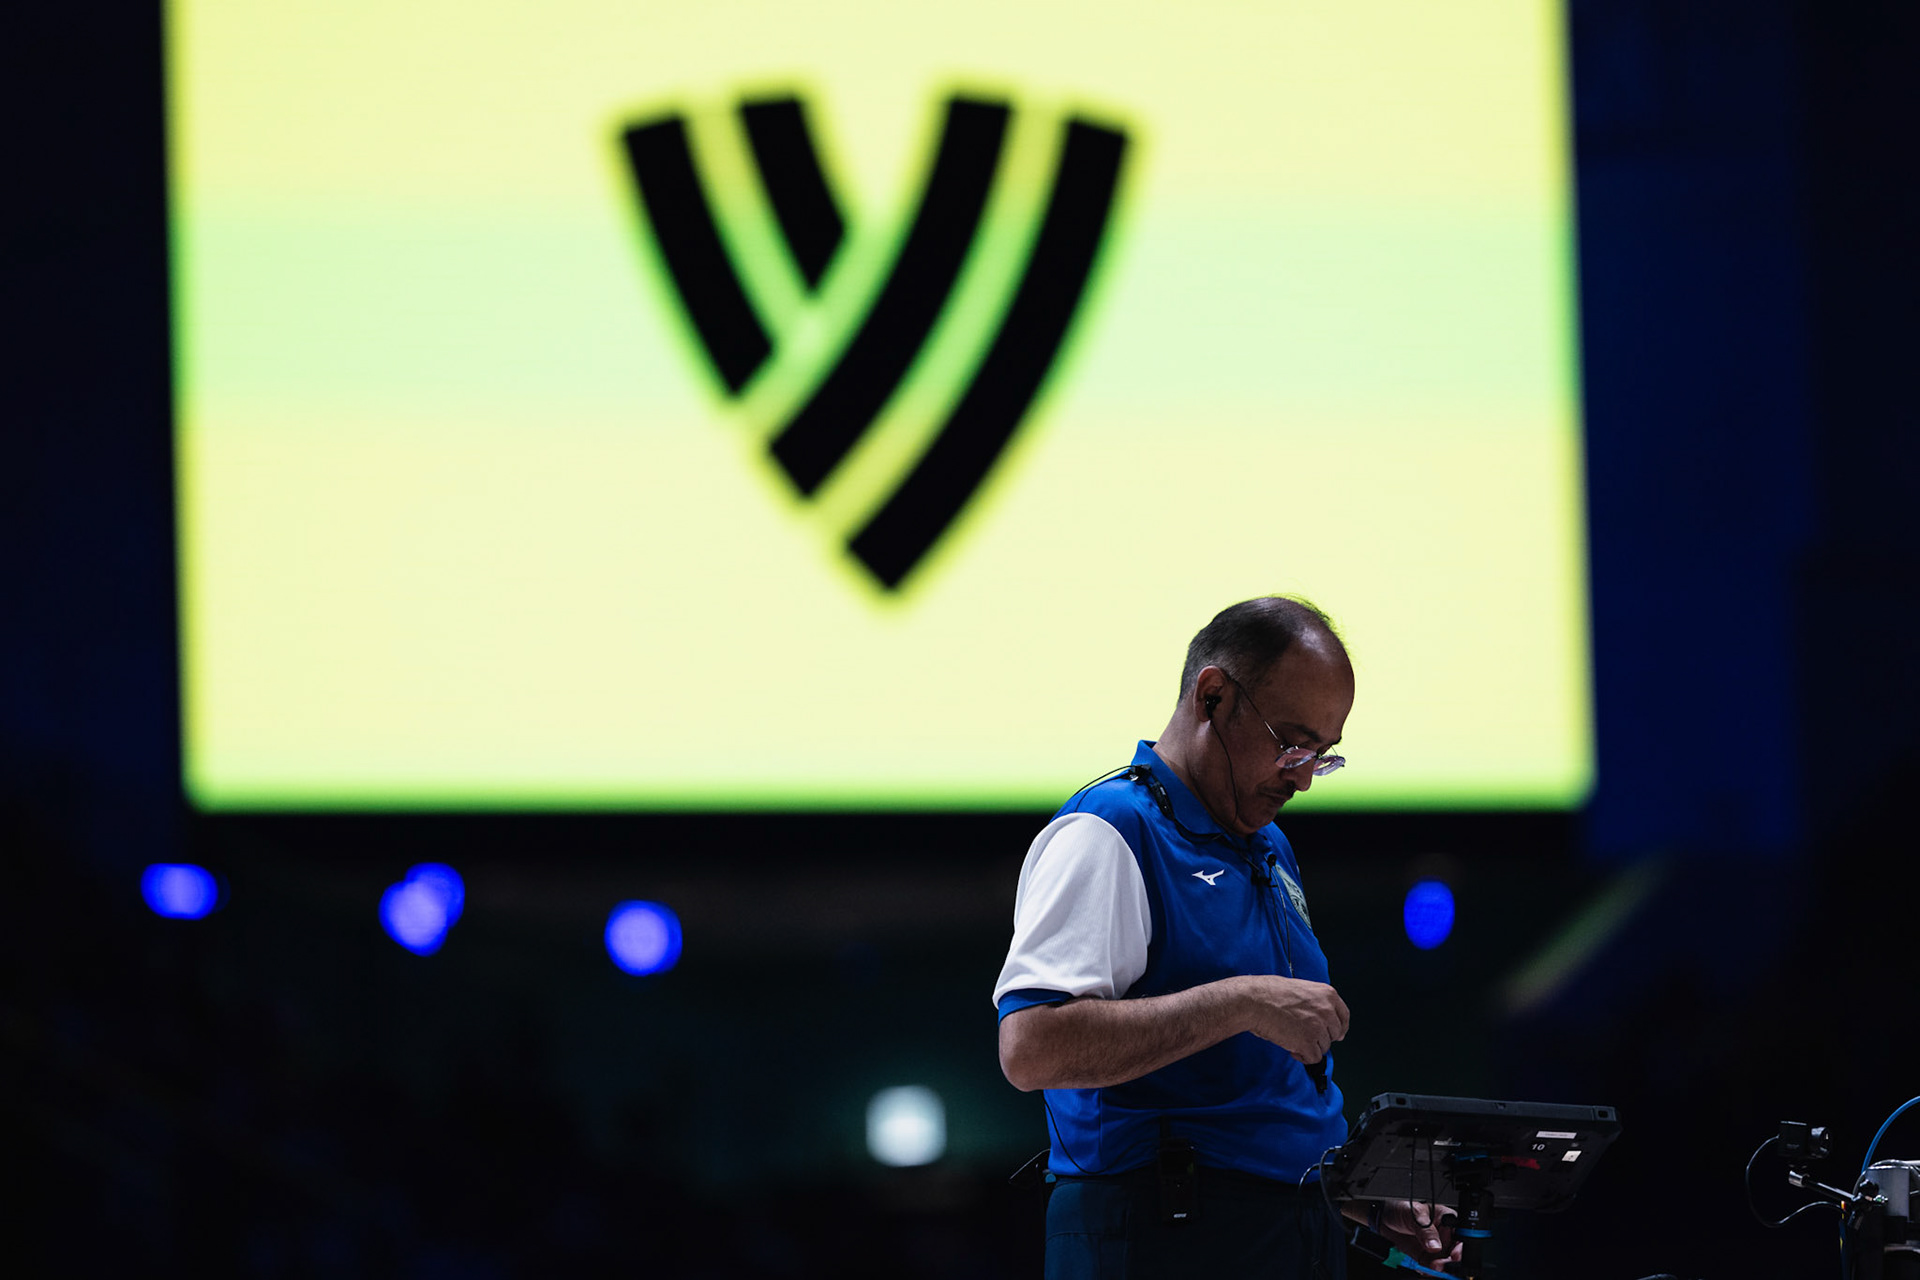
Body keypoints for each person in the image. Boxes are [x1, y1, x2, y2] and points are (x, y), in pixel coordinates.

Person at [993, 596, 1460, 1278]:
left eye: (1323, 756)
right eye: (1291, 744)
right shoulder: (1109, 829)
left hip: (1288, 1235)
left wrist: (1356, 1198)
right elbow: (1031, 1048)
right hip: (1159, 1238)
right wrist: (1240, 1002)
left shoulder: (1268, 846)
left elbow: (1258, 1100)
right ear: (1212, 696)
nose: (1303, 778)